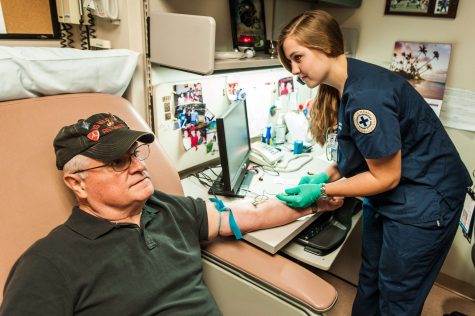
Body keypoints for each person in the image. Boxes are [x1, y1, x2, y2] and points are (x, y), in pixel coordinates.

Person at [0, 112, 343, 315]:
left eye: (136, 154)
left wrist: (314, 201)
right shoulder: (47, 265)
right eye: (118, 161)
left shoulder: (165, 207)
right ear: (77, 183)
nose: (137, 166)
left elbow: (243, 216)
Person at [275, 10, 472, 316]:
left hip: (424, 197)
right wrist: (322, 177)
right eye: (290, 62)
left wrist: (323, 191)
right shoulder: (345, 85)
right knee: (370, 278)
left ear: (325, 45)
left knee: (397, 295)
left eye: (298, 57)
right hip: (390, 194)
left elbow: (386, 177)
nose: (294, 69)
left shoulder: (367, 96)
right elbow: (356, 156)